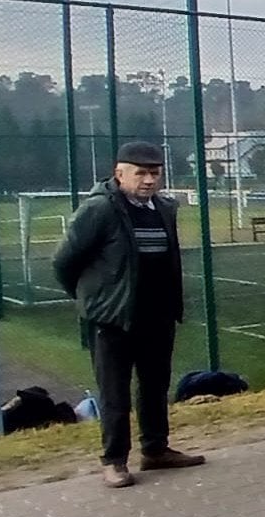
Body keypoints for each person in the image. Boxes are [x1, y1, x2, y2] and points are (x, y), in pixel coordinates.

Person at [53, 141, 207, 489]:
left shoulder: (165, 208)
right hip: (114, 319)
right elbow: (64, 261)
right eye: (141, 173)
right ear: (119, 173)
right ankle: (114, 461)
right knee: (114, 393)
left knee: (154, 387)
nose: (149, 180)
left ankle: (155, 449)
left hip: (157, 316)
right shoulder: (100, 209)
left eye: (155, 173)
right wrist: (93, 301)